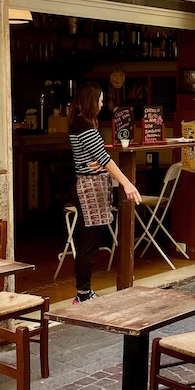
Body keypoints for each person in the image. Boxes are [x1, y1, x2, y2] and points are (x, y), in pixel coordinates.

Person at [67, 82, 142, 304]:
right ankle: (82, 294)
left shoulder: (81, 123)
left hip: (91, 184)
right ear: (92, 101)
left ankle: (84, 292)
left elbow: (98, 158)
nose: (102, 103)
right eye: (99, 99)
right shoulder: (83, 126)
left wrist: (99, 163)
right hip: (89, 188)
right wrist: (127, 183)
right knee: (88, 242)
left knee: (90, 240)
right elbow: (104, 158)